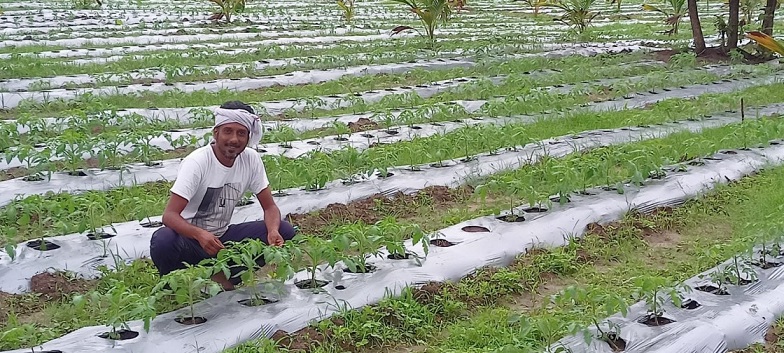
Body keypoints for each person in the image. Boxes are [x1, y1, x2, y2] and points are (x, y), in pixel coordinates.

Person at [149, 100, 296, 290]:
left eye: (241, 133)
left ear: (248, 136)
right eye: (228, 131)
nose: (234, 139)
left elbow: (269, 207)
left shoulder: (251, 160)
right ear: (216, 133)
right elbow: (169, 216)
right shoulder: (198, 162)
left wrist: (273, 230)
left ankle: (226, 278)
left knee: (285, 230)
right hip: (189, 240)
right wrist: (200, 234)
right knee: (163, 240)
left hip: (221, 238)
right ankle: (174, 287)